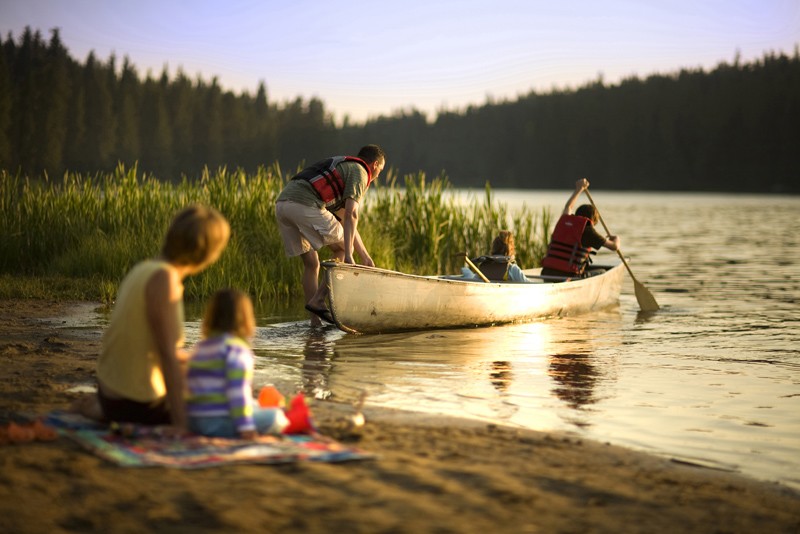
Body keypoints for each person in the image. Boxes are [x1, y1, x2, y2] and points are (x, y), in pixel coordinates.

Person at [90, 204, 231, 432]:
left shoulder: (145, 269)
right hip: (136, 402)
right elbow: (166, 355)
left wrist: (199, 361)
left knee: (208, 373)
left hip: (110, 393)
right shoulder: (164, 281)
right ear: (206, 253)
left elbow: (155, 346)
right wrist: (181, 424)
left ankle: (99, 409)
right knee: (224, 409)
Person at [275, 144, 386, 326]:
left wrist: (365, 257)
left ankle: (315, 322)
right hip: (303, 204)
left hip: (282, 205)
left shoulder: (346, 169)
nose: (377, 177)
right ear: (374, 165)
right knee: (342, 250)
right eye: (380, 171)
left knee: (311, 263)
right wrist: (349, 255)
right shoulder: (360, 172)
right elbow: (352, 214)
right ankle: (318, 300)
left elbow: (346, 221)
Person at [186, 289, 288, 438]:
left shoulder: (199, 348)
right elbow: (237, 393)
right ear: (246, 319)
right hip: (219, 424)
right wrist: (247, 429)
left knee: (254, 404)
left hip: (195, 422)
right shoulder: (236, 350)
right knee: (277, 418)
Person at [540, 178, 620, 280]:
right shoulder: (588, 230)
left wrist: (579, 188)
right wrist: (616, 238)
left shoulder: (564, 221)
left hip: (546, 273)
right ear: (593, 220)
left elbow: (568, 207)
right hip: (568, 276)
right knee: (603, 272)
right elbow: (614, 247)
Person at [463, 230, 529, 282]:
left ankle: (465, 271)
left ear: (494, 248)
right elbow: (529, 285)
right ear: (509, 250)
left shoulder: (484, 267)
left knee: (467, 272)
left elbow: (474, 280)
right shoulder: (512, 269)